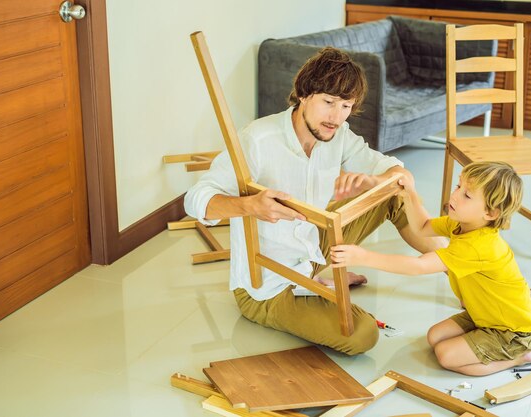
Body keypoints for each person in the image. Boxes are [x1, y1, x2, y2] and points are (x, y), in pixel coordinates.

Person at [185, 47, 443, 355]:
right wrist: (250, 206)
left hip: (312, 242)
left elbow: (401, 176)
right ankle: (319, 283)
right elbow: (195, 200)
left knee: (393, 195)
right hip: (269, 286)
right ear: (304, 94)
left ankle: (459, 268)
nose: (337, 117)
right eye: (329, 102)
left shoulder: (338, 134)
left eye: (346, 106)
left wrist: (375, 181)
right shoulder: (257, 139)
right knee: (362, 336)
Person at [331, 161, 531, 374]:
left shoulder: (479, 246)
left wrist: (364, 256)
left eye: (467, 195)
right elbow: (422, 227)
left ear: (491, 213)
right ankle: (512, 348)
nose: (455, 194)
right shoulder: (461, 224)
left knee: (446, 355)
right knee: (434, 336)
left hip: (513, 331)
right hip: (484, 315)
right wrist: (409, 193)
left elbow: (418, 266)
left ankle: (524, 355)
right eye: (459, 186)